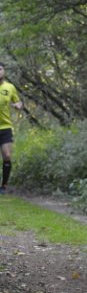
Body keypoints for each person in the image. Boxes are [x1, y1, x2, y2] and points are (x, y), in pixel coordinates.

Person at [0, 63, 23, 195]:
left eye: (0, 69)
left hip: (5, 127)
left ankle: (3, 186)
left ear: (4, 71)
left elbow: (18, 101)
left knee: (7, 155)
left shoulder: (10, 87)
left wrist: (18, 105)